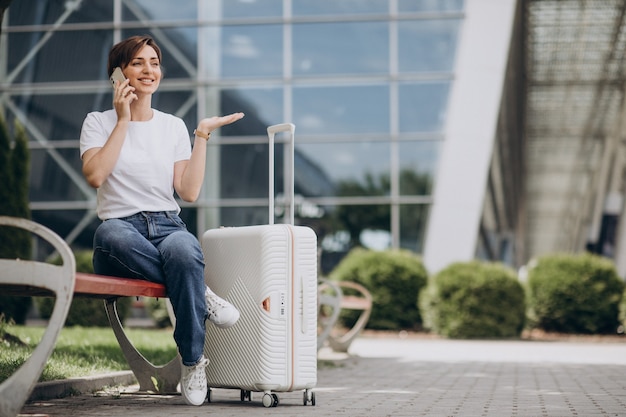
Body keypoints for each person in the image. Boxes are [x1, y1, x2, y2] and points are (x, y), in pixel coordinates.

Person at [79, 35, 244, 406]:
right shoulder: (98, 122)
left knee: (186, 254)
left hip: (168, 226)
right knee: (113, 235)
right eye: (137, 63)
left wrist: (200, 135)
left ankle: (192, 361)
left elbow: (187, 192)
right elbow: (95, 176)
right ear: (118, 75)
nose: (148, 70)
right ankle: (201, 294)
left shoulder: (171, 126)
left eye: (154, 62)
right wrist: (123, 120)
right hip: (120, 234)